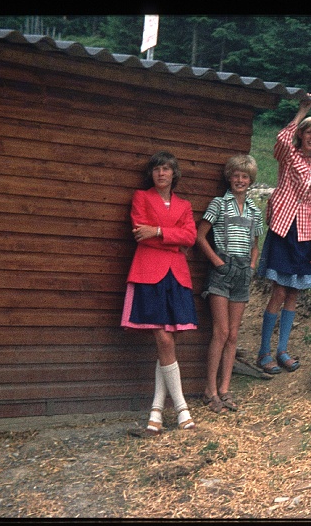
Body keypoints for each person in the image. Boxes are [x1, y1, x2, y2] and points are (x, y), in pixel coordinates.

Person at [121, 151, 198, 436]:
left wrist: (157, 232)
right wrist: (168, 236)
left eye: (166, 169)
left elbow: (190, 237)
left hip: (176, 275)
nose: (161, 173)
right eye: (157, 169)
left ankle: (155, 411)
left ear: (174, 174)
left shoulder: (185, 205)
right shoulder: (141, 197)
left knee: (169, 344)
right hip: (148, 272)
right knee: (163, 338)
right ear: (151, 174)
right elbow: (140, 233)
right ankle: (181, 408)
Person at [255, 96, 311, 374]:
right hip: (284, 226)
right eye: (308, 131)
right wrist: (302, 112)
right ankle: (264, 352)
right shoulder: (288, 154)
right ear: (301, 133)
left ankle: (282, 350)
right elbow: (282, 138)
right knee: (279, 289)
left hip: (307, 231)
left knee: (294, 292)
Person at [195, 155, 264, 414]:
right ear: (229, 177)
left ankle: (225, 389)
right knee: (221, 332)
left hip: (243, 272)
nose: (240, 180)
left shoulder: (255, 211)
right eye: (236, 175)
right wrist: (217, 262)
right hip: (222, 271)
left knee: (234, 335)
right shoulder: (219, 204)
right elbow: (200, 236)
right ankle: (209, 390)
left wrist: (253, 265)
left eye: (245, 176)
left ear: (250, 180)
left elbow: (256, 245)